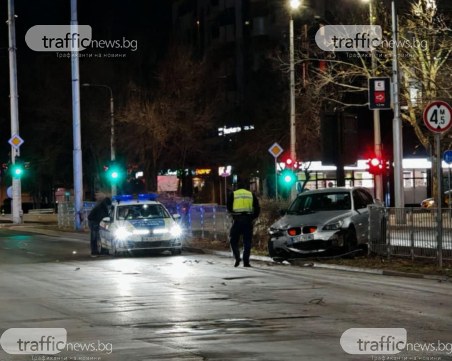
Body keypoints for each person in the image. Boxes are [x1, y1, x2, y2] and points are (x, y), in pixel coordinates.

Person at [226, 180, 260, 267]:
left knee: (233, 240)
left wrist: (233, 214)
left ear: (237, 187)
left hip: (237, 220)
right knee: (247, 242)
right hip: (248, 220)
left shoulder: (234, 194)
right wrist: (252, 217)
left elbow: (228, 207)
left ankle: (237, 257)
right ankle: (246, 262)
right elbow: (257, 208)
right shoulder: (250, 194)